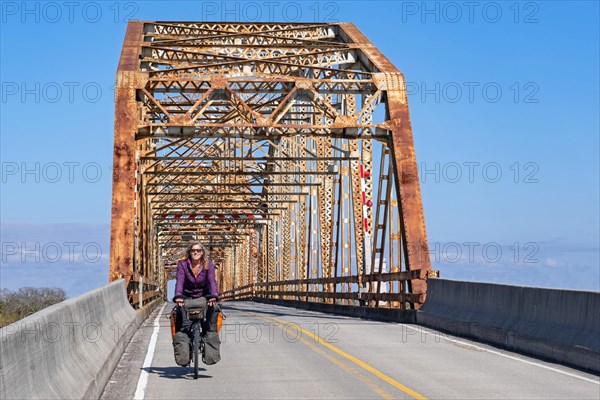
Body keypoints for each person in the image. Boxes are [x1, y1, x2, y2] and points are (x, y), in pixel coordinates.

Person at [173, 242, 218, 307]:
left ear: (202, 252)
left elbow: (212, 280)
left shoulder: (208, 263)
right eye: (193, 250)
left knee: (213, 310)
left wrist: (214, 295)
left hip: (204, 293)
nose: (196, 252)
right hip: (187, 294)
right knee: (180, 312)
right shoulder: (182, 264)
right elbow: (180, 281)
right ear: (189, 252)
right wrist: (178, 295)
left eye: (199, 250)